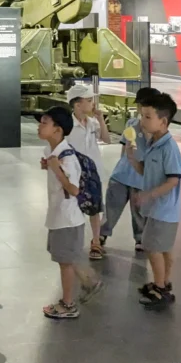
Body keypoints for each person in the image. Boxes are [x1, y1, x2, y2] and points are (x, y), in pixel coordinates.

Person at [35, 106, 103, 320]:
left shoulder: (66, 158)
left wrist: (55, 169)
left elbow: (74, 189)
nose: (39, 126)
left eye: (44, 122)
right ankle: (89, 281)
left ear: (58, 130)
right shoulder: (55, 153)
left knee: (65, 262)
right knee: (65, 257)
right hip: (60, 217)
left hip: (67, 218)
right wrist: (51, 167)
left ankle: (68, 304)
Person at [128, 92, 181, 311]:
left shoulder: (169, 148)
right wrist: (132, 159)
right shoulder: (154, 143)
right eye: (142, 116)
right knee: (163, 248)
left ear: (163, 121)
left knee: (151, 246)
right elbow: (146, 171)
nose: (142, 121)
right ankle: (164, 282)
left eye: (148, 117)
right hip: (157, 209)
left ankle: (159, 288)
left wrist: (148, 195)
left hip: (164, 209)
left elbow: (173, 180)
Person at [100, 87, 160, 253]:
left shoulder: (157, 130)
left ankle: (140, 238)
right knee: (112, 207)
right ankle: (101, 234)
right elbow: (124, 149)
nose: (140, 109)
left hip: (142, 178)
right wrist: (121, 166)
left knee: (139, 212)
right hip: (121, 175)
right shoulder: (131, 124)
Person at [66, 85, 110, 260]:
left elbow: (106, 139)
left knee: (95, 208)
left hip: (94, 172)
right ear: (77, 104)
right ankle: (73, 243)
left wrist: (101, 120)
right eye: (89, 100)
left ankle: (96, 241)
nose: (93, 103)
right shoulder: (68, 126)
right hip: (74, 174)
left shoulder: (92, 123)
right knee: (73, 208)